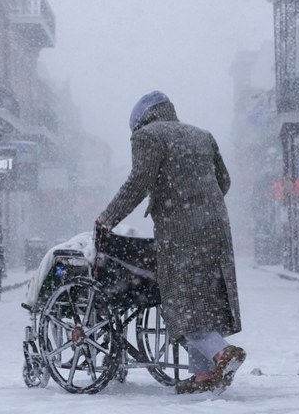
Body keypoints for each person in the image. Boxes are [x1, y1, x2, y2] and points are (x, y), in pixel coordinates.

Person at [96, 90, 244, 394]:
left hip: (181, 231)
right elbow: (224, 181)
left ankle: (220, 352)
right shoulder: (202, 135)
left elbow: (139, 182)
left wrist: (107, 219)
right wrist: (202, 203)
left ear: (139, 122)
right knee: (205, 298)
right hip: (216, 228)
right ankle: (203, 375)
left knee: (180, 300)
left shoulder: (147, 137)